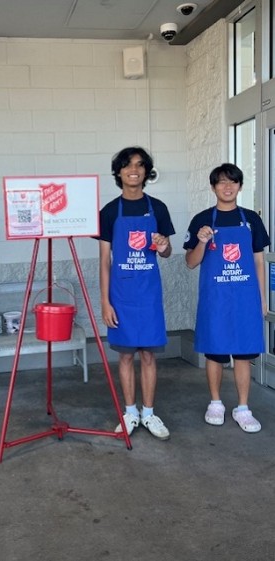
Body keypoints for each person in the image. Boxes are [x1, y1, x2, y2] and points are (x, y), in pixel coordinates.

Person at [184, 163, 270, 433]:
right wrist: (201, 241)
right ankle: (216, 403)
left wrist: (262, 299)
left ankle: (243, 408)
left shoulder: (251, 220)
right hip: (216, 300)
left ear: (240, 186)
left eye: (233, 181)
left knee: (243, 354)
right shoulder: (201, 220)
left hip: (245, 299)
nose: (227, 186)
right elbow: (190, 262)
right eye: (221, 182)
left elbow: (258, 261)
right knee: (215, 353)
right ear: (213, 187)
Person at [99, 146, 175, 440]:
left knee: (149, 356)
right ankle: (130, 412)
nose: (134, 170)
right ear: (118, 172)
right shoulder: (109, 212)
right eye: (128, 165)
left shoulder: (158, 208)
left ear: (146, 172)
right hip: (121, 295)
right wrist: (105, 302)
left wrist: (163, 245)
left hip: (148, 294)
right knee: (126, 356)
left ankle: (149, 413)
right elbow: (105, 261)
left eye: (140, 165)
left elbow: (166, 252)